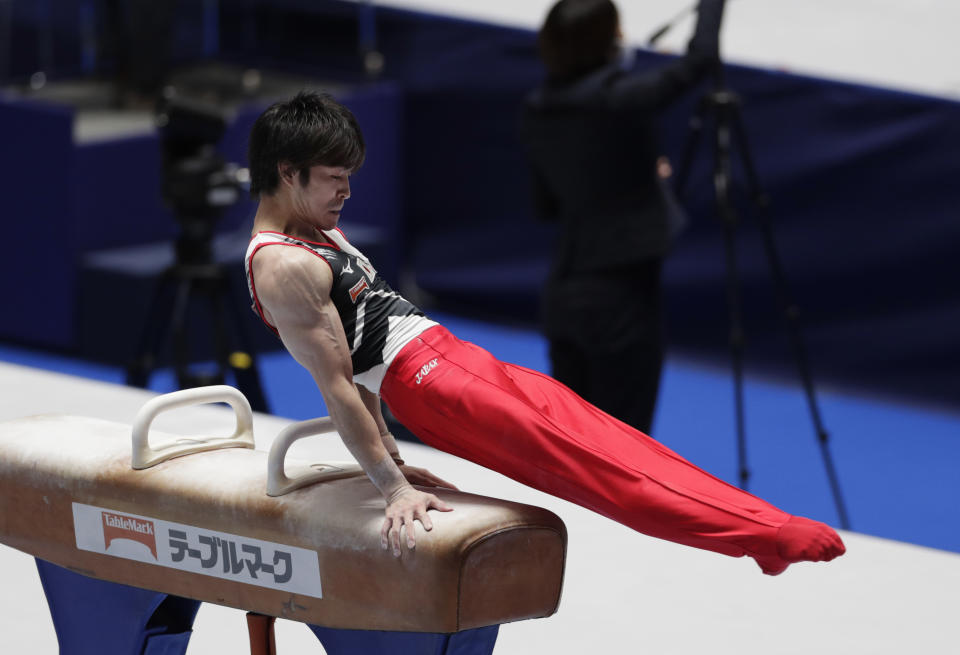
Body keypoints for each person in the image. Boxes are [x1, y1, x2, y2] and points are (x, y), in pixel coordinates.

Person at [243, 91, 845, 575]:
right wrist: (392, 487)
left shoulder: (312, 226)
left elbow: (352, 359)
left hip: (452, 364)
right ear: (288, 173)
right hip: (434, 384)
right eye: (332, 177)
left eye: (349, 174)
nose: (346, 190)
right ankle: (766, 534)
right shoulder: (283, 265)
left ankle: (756, 529)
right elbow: (339, 384)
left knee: (615, 440)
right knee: (597, 467)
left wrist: (395, 459)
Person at [519, 0, 725, 433]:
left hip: (563, 299)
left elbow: (548, 205)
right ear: (606, 41)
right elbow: (700, 61)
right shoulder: (621, 99)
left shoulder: (538, 108)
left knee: (573, 441)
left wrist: (628, 175)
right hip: (622, 306)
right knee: (625, 446)